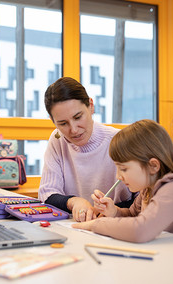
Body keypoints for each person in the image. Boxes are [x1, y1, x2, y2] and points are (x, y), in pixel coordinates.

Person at [72, 119, 173, 242]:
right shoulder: (147, 188)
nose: (118, 176)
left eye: (124, 169)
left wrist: (96, 225)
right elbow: (133, 215)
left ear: (153, 166)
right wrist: (114, 212)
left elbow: (141, 230)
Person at [38, 77, 134, 222]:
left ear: (90, 106)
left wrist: (110, 210)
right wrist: (75, 202)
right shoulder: (57, 140)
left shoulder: (120, 141)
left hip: (118, 224)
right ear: (53, 122)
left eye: (78, 117)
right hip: (78, 226)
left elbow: (142, 200)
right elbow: (47, 194)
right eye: (63, 123)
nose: (74, 130)